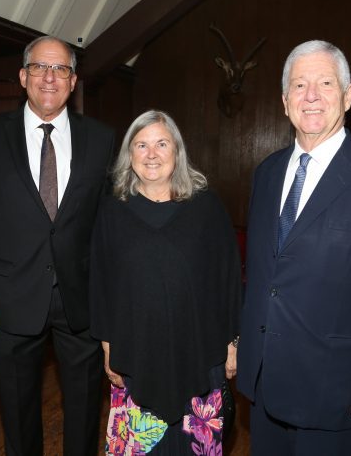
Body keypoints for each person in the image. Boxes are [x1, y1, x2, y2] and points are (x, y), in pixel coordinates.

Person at [236, 40, 351, 455]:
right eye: (299, 86)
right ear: (285, 102)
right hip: (263, 381)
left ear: (348, 95)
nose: (312, 96)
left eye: (325, 83)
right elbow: (263, 275)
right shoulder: (266, 173)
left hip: (334, 390)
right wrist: (240, 346)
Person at [0, 35, 115, 456]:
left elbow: (107, 225)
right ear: (22, 76)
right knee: (16, 412)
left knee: (85, 410)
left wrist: (109, 296)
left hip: (80, 297)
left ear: (73, 80)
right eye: (40, 68)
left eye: (61, 69)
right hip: (9, 297)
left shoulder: (102, 139)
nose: (50, 77)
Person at [89, 110, 242, 455]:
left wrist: (233, 341)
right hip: (134, 355)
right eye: (141, 145)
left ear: (177, 151)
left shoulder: (207, 207)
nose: (152, 154)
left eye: (161, 143)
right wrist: (107, 346)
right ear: (129, 155)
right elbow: (101, 281)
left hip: (201, 355)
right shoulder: (113, 210)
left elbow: (228, 276)